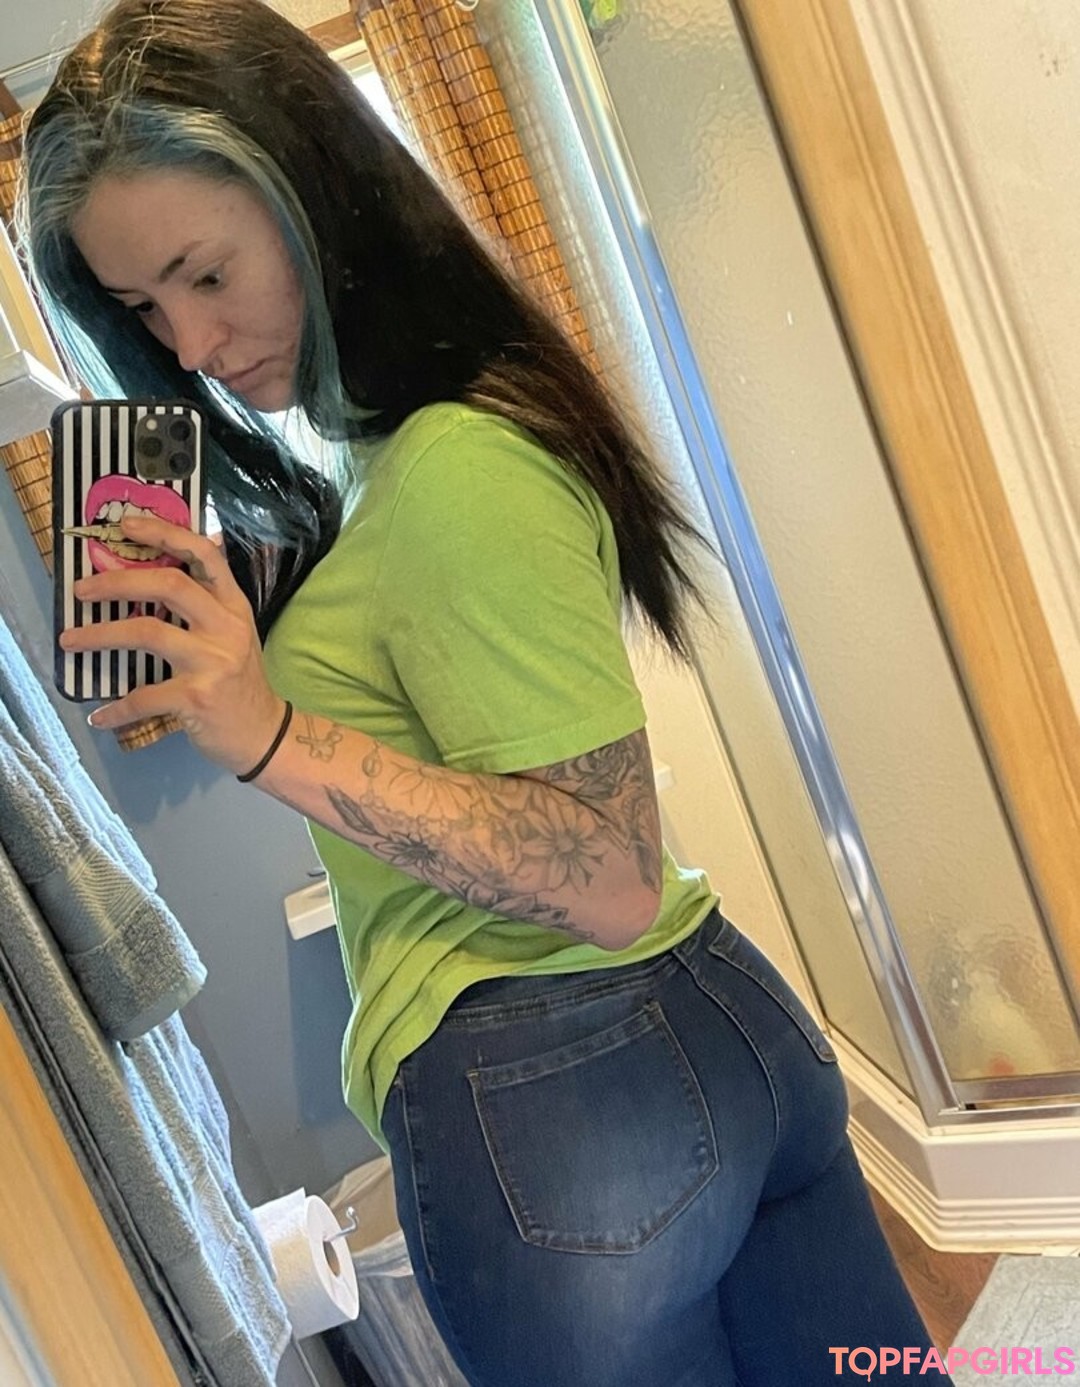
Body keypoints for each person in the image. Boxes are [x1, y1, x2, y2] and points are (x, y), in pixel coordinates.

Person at [20, 2, 950, 1383]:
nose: (193, 344)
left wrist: (269, 733)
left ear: (315, 186)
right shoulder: (397, 453)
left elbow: (609, 872)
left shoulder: (453, 465)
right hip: (713, 1029)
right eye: (146, 310)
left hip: (553, 1096)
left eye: (205, 273)